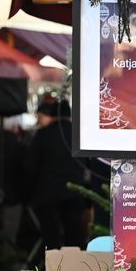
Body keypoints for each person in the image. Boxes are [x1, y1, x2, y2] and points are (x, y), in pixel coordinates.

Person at [21, 95, 88, 252]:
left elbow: (30, 166)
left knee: (52, 239)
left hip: (48, 195)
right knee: (75, 236)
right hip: (75, 193)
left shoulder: (43, 135)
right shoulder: (80, 135)